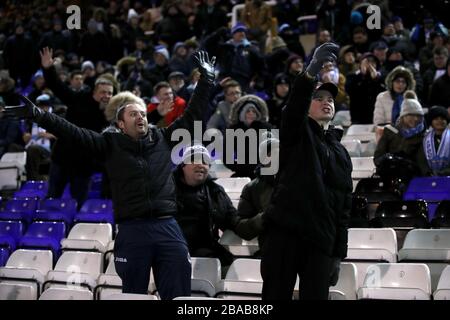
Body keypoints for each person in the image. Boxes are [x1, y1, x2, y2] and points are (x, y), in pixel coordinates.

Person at [4, 51, 216, 300]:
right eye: (133, 114)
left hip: (167, 225)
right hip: (132, 229)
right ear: (121, 124)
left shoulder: (164, 138)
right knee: (133, 296)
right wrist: (41, 116)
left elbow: (193, 114)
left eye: (143, 114)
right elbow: (72, 132)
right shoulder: (109, 144)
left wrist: (207, 79)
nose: (141, 117)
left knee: (179, 295)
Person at [261, 42, 353, 300]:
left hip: (320, 243)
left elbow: (344, 207)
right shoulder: (296, 133)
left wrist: (337, 254)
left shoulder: (342, 154)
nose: (326, 102)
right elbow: (293, 107)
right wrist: (311, 70)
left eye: (330, 99)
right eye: (319, 98)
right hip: (284, 237)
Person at [174, 143, 262, 267]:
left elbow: (234, 222)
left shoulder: (215, 192)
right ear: (183, 166)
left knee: (229, 265)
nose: (200, 164)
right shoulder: (167, 189)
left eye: (205, 162)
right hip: (172, 249)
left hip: (205, 251)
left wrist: (260, 220)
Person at [374, 91, 426, 181]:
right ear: (403, 116)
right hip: (389, 178)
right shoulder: (390, 132)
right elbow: (378, 157)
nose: (415, 119)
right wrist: (389, 160)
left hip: (413, 178)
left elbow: (422, 163)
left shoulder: (423, 135)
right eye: (411, 115)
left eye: (418, 115)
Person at [418, 106, 450, 176]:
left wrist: (443, 173)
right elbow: (421, 160)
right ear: (431, 122)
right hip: (429, 178)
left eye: (442, 118)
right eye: (436, 119)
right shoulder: (425, 139)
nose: (439, 121)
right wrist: (427, 172)